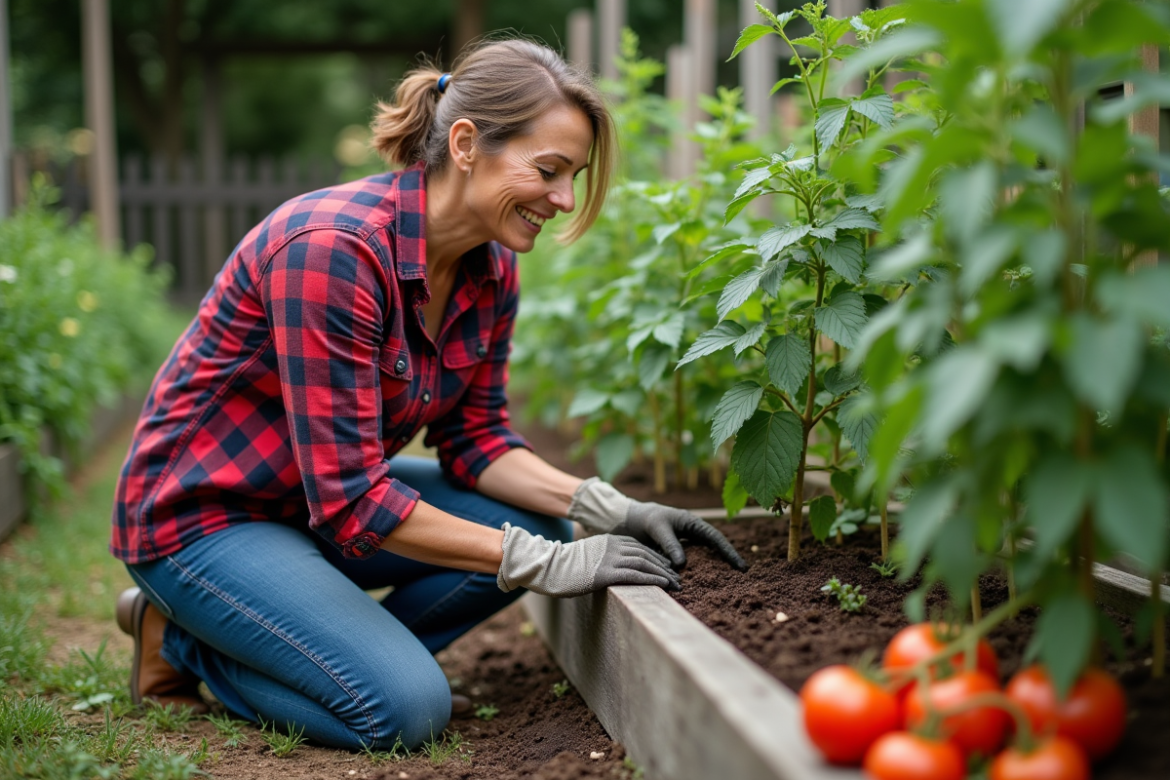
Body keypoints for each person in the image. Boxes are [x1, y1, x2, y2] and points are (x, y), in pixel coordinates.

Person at [110, 38, 745, 752]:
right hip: (206, 517)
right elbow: (352, 500)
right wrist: (545, 564)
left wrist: (610, 507)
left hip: (306, 506)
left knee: (536, 525)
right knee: (404, 711)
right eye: (548, 171)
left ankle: (311, 647)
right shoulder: (332, 250)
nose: (564, 200)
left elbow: (478, 441)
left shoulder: (491, 269)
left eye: (575, 177)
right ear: (467, 143)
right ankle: (188, 642)